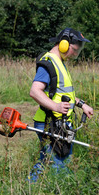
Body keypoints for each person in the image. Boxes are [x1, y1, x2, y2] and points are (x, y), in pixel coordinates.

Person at [28, 27, 93, 182]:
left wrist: (81, 104)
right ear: (64, 44)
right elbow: (35, 91)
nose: (76, 54)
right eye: (75, 50)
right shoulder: (48, 64)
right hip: (50, 122)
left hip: (59, 123)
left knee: (46, 161)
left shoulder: (60, 63)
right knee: (61, 163)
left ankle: (29, 190)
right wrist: (55, 107)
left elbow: (62, 93)